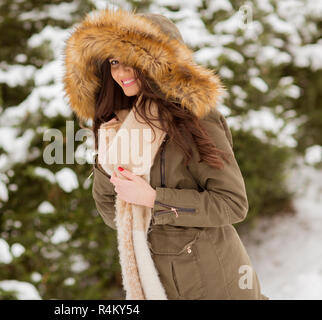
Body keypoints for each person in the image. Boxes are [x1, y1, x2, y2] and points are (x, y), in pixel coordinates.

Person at [63, 8, 269, 300]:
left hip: (213, 282)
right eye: (114, 62)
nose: (121, 73)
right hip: (155, 281)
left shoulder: (194, 119)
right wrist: (109, 149)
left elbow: (232, 204)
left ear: (160, 63)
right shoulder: (118, 123)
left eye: (131, 61)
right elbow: (112, 211)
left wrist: (153, 200)